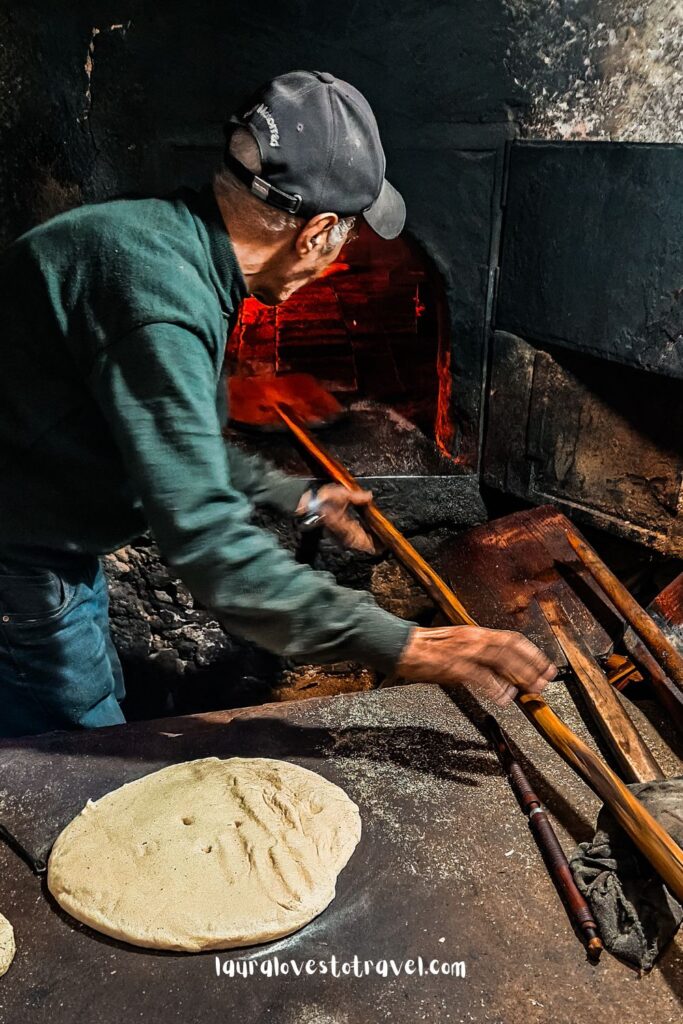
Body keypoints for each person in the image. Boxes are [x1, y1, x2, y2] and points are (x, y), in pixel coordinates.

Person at [0, 71, 555, 738]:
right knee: (63, 770)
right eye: (348, 237)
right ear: (318, 232)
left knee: (98, 709)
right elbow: (208, 548)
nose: (338, 254)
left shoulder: (159, 245)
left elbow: (171, 442)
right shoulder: (160, 307)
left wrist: (298, 495)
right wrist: (411, 645)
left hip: (47, 533)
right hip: (19, 555)